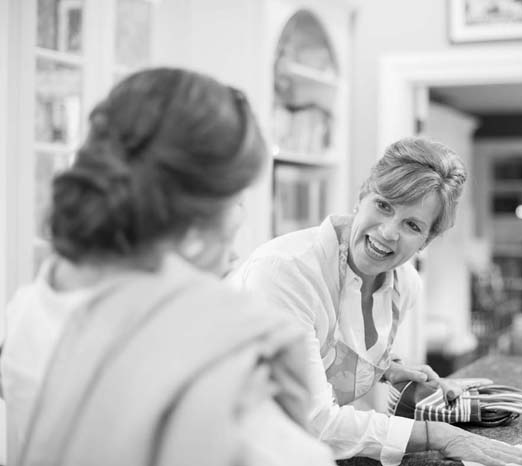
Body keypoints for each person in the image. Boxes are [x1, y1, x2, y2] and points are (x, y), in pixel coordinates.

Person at [0, 67, 334, 466]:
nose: (240, 220)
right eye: (238, 199)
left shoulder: (29, 308)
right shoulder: (218, 367)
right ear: (197, 215)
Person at [231, 137, 522, 466]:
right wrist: (440, 435)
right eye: (384, 205)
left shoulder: (404, 286)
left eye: (412, 225)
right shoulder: (286, 272)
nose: (389, 232)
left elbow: (322, 351)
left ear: (426, 240)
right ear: (362, 196)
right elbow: (314, 419)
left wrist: (384, 369)